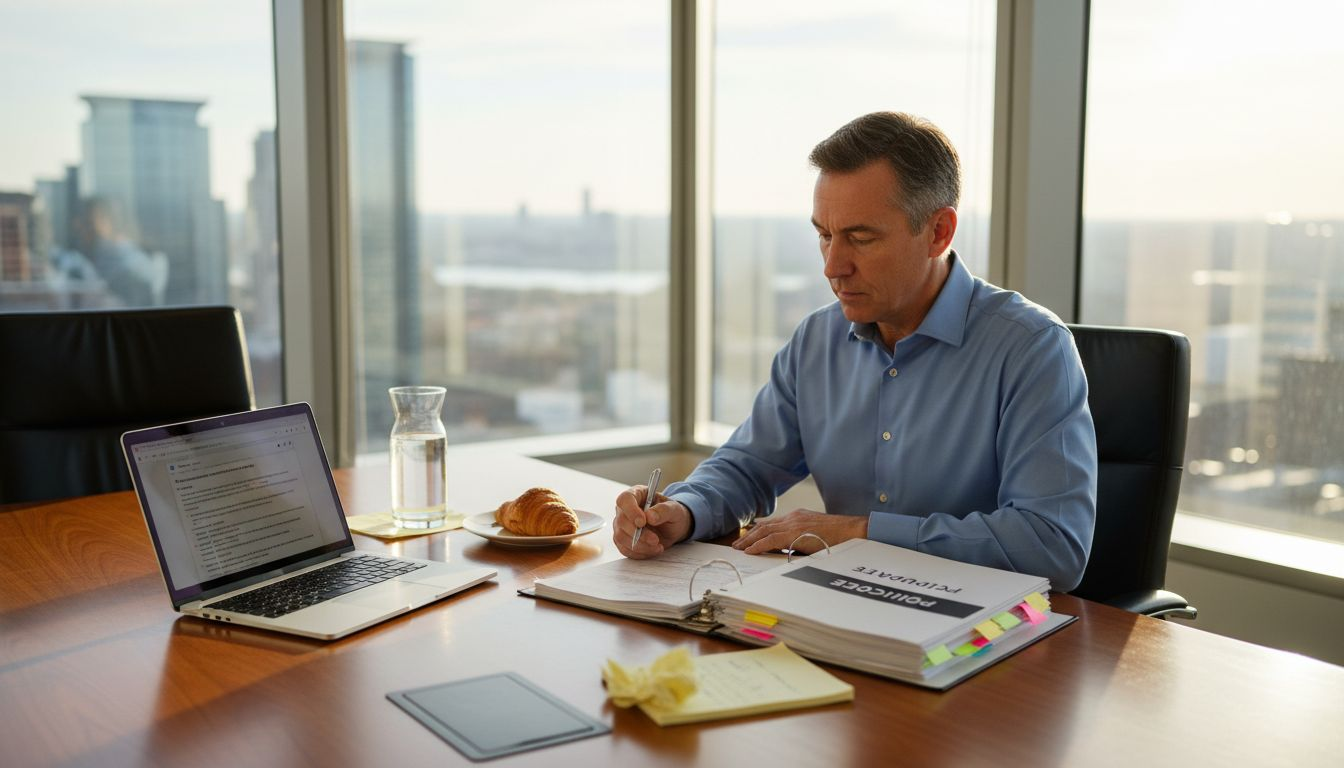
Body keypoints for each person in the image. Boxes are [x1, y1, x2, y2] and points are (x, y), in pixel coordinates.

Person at [612, 111, 1097, 591]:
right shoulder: (816, 341)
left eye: (860, 238)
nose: (832, 266)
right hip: (840, 607)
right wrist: (683, 509)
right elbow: (747, 466)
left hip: (982, 635)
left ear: (939, 232)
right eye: (824, 234)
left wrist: (859, 533)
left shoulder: (1032, 350)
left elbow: (1051, 545)